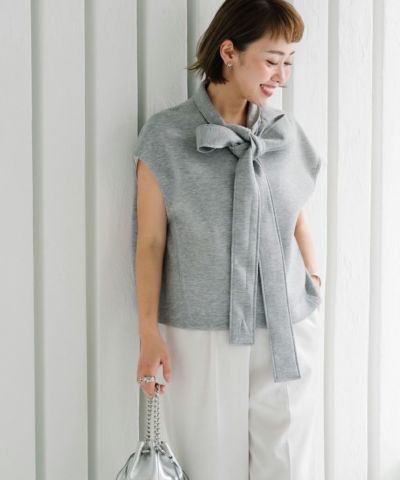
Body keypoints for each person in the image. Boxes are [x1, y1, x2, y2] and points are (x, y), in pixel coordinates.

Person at [133, 0, 324, 478]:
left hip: (285, 328)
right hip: (202, 335)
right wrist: (148, 332)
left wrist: (314, 278)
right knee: (209, 469)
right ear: (229, 52)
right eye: (272, 60)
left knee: (288, 468)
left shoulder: (284, 133)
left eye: (289, 62)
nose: (282, 76)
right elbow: (151, 242)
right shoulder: (167, 136)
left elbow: (296, 216)